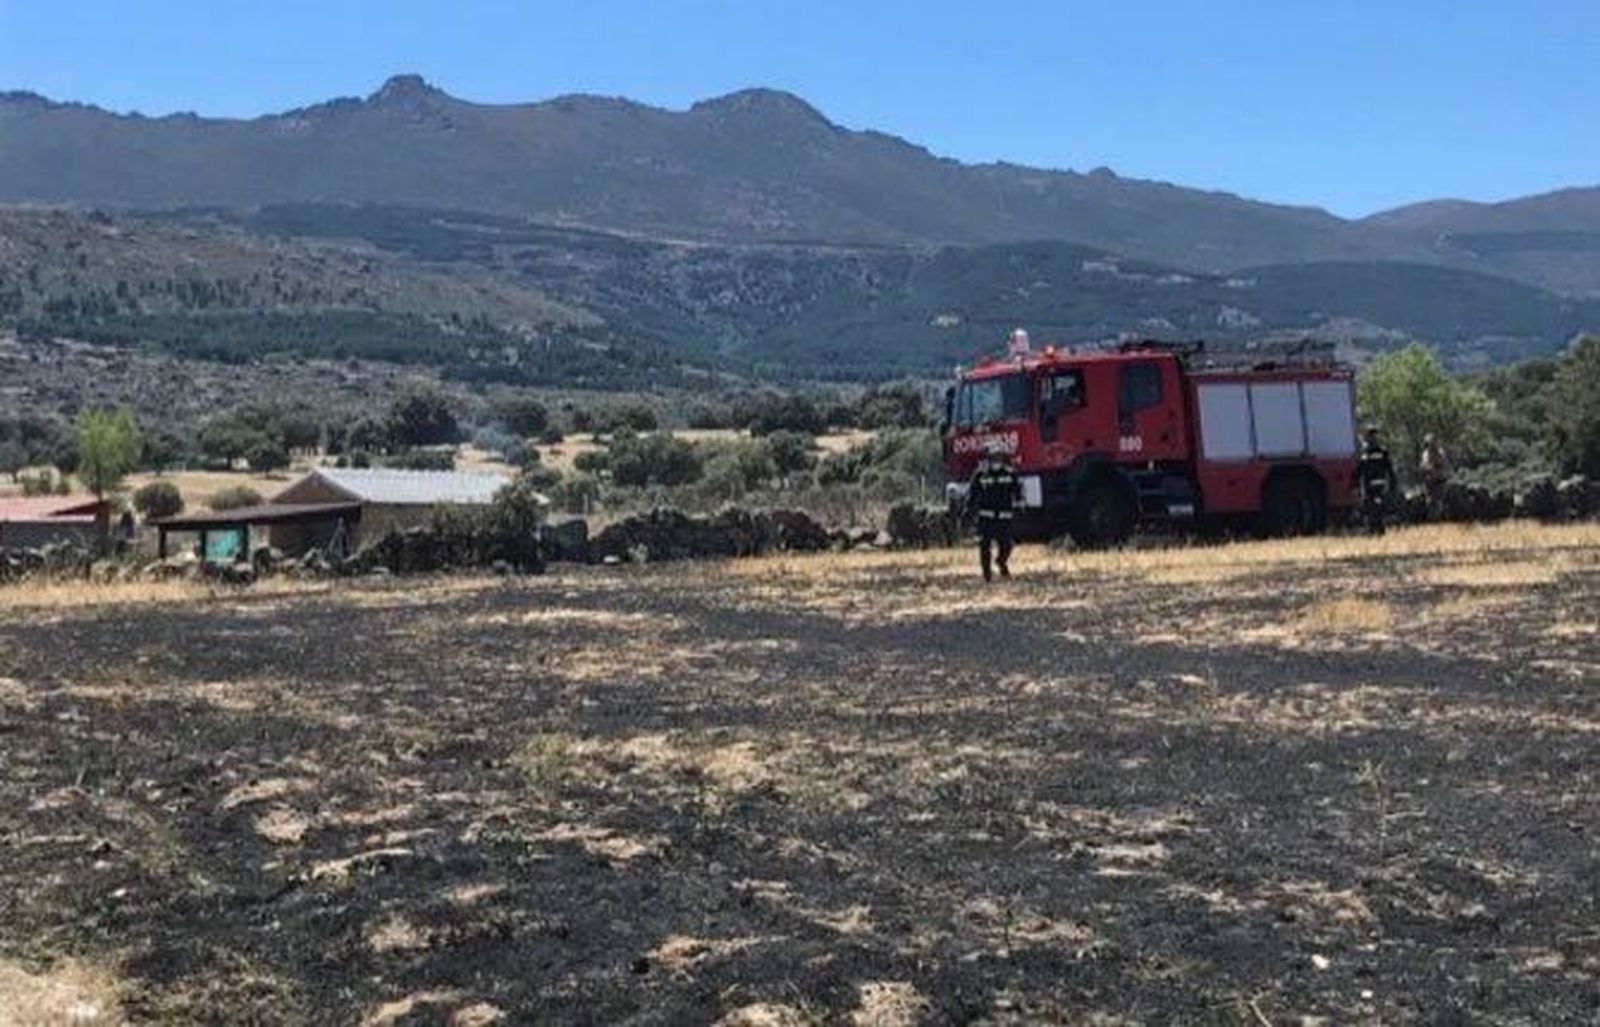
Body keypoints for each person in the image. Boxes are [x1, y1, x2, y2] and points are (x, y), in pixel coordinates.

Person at [969, 443, 1021, 580]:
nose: (996, 461)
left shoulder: (1010, 474)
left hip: (1004, 517)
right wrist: (968, 510)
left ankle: (1001, 561)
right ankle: (987, 574)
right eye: (993, 457)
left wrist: (1020, 504)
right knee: (984, 546)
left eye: (998, 457)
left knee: (1007, 545)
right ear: (988, 458)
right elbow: (973, 494)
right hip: (986, 518)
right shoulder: (980, 475)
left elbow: (1017, 492)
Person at [1357, 425, 1398, 534]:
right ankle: (1376, 529)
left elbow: (1389, 469)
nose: (1374, 438)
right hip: (1374, 485)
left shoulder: (1370, 452)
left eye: (1374, 435)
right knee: (1374, 508)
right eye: (1372, 435)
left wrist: (1392, 484)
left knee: (1374, 508)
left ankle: (1376, 529)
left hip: (1375, 485)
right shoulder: (1376, 452)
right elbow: (1360, 471)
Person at [1418, 432, 1452, 519]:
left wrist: (1435, 468)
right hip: (1429, 481)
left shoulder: (1440, 453)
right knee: (1429, 500)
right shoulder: (1425, 454)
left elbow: (1443, 465)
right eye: (1428, 444)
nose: (1430, 446)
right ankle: (1431, 517)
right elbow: (1423, 466)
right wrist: (1425, 470)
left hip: (1439, 480)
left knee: (1438, 500)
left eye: (1432, 444)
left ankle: (1438, 517)